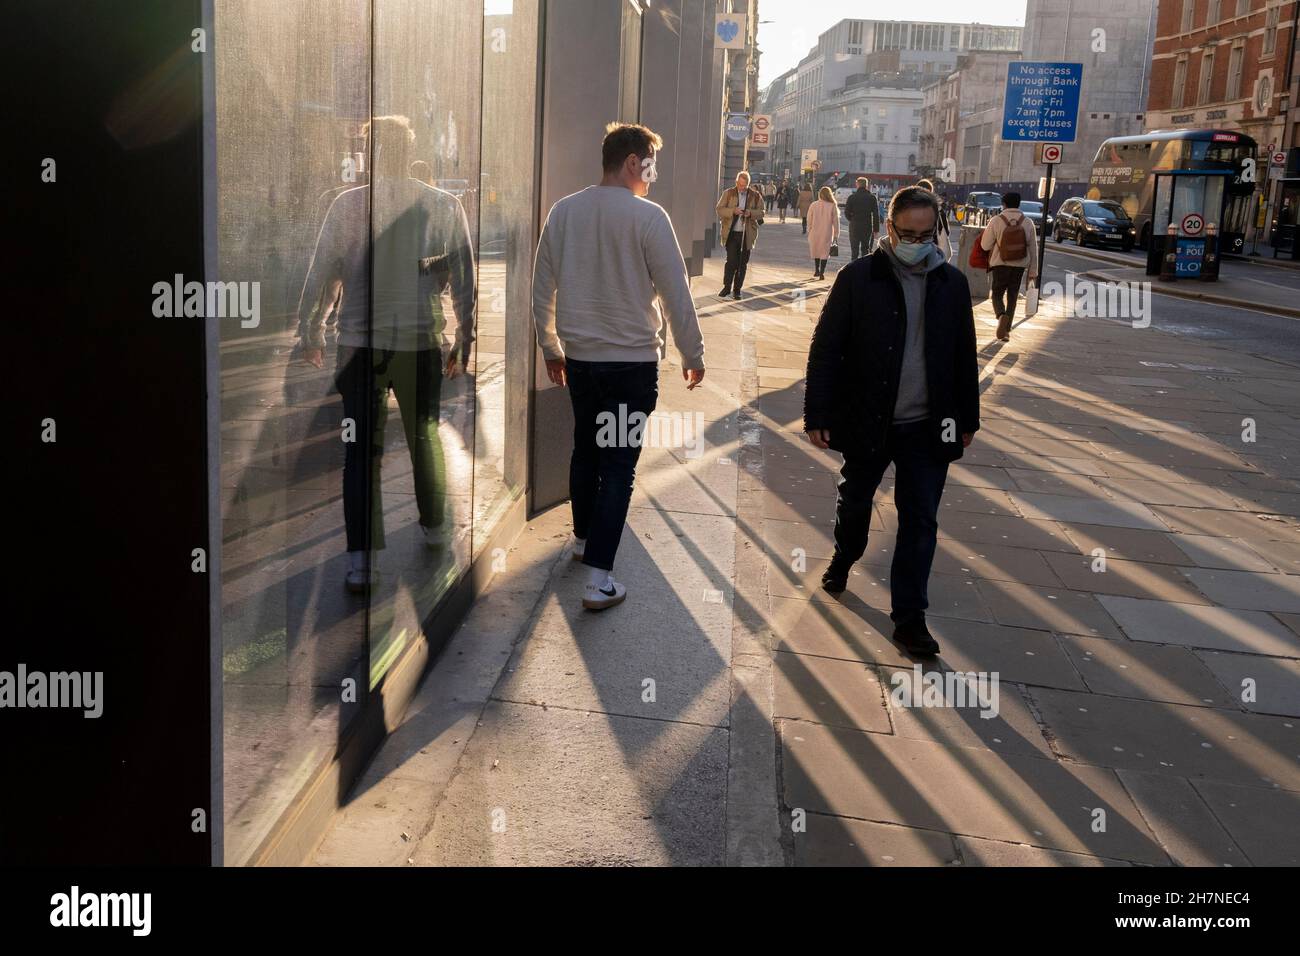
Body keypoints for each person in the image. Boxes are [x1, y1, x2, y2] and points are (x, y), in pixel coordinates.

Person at [296, 115, 475, 593]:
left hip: (358, 345)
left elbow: (324, 274)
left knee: (360, 452)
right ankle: (435, 527)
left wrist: (310, 329)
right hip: (419, 343)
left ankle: (362, 562)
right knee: (425, 438)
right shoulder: (442, 204)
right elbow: (463, 277)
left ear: (370, 154)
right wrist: (465, 337)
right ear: (411, 149)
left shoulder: (348, 205)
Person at [532, 122, 706, 610]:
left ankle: (585, 539)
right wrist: (693, 355)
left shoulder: (564, 211)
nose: (654, 171)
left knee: (586, 450)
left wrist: (549, 346)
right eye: (650, 161)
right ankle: (598, 580)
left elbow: (541, 284)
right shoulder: (649, 217)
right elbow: (675, 292)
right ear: (632, 161)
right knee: (618, 466)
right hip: (629, 366)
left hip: (581, 362)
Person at [803, 186, 980, 656]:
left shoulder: (952, 284)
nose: (917, 242)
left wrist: (967, 419)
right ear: (889, 228)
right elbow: (826, 349)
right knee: (856, 500)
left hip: (929, 424)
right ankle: (844, 555)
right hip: (868, 418)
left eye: (926, 234)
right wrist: (818, 412)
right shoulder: (858, 278)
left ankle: (909, 618)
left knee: (920, 519)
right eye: (908, 233)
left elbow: (965, 355)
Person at [979, 191, 1038, 341]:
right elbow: (1033, 249)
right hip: (1019, 265)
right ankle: (1006, 331)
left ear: (1003, 204)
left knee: (997, 294)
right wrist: (1033, 270)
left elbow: (985, 246)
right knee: (1013, 296)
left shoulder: (996, 220)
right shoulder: (1027, 222)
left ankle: (1001, 315)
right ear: (1019, 204)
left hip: (1000, 264)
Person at [716, 170, 766, 300]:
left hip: (747, 235)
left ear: (748, 184)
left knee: (742, 264)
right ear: (736, 182)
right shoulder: (728, 193)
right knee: (731, 262)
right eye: (740, 185)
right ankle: (727, 287)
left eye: (745, 185)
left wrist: (750, 213)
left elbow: (762, 212)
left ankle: (737, 290)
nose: (742, 188)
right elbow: (719, 209)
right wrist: (733, 211)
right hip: (731, 234)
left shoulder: (755, 195)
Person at [806, 185, 840, 279]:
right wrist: (836, 234)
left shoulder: (814, 205)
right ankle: (822, 272)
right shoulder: (832, 205)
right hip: (827, 232)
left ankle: (816, 269)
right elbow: (836, 221)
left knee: (816, 250)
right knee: (824, 252)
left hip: (814, 232)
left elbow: (809, 219)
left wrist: (809, 230)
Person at [844, 176, 880, 260]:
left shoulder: (852, 197)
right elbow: (875, 214)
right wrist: (876, 229)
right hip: (867, 226)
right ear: (866, 185)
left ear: (857, 184)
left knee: (854, 250)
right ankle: (863, 269)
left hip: (854, 226)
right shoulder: (872, 197)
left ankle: (853, 269)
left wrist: (852, 219)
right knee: (865, 250)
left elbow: (846, 212)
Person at [915, 178, 952, 257]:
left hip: (914, 249)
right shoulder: (938, 209)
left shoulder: (910, 208)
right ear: (931, 191)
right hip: (933, 251)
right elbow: (946, 231)